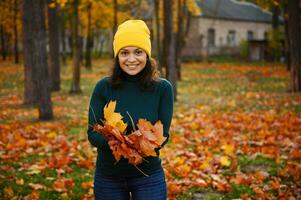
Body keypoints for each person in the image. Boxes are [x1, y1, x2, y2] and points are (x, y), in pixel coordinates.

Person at [87, 19, 174, 200]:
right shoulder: (103, 87)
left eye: (138, 52)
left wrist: (137, 144)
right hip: (109, 176)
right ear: (117, 56)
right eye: (124, 53)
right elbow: (92, 132)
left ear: (147, 55)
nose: (131, 59)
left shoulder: (163, 89)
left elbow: (163, 135)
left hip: (148, 175)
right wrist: (114, 143)